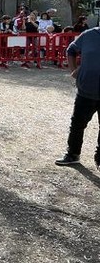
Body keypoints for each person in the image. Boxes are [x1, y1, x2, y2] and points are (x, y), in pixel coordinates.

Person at [54, 25, 100, 170]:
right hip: (86, 90)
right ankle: (73, 154)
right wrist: (73, 70)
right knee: (77, 124)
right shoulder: (89, 35)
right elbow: (71, 50)